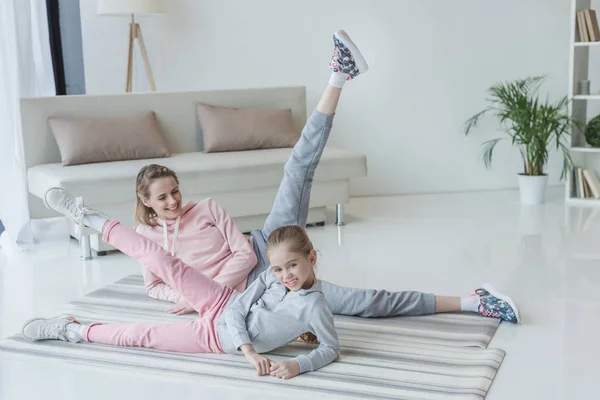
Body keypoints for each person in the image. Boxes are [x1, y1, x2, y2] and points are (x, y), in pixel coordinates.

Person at [54, 30, 523, 325]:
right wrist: (185, 294)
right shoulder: (144, 235)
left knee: (297, 168)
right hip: (267, 288)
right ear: (148, 203)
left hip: (267, 248)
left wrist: (211, 285)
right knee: (365, 304)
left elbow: (241, 253)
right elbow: (155, 284)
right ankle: (474, 303)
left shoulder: (208, 208)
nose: (175, 200)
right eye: (164, 197)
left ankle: (338, 76)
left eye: (176, 191)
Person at [22, 216, 339, 379]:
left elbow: (331, 348)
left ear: (312, 257)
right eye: (279, 268)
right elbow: (238, 307)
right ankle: (94, 220)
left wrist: (299, 365)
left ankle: (71, 330)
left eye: (292, 265)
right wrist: (250, 352)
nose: (286, 275)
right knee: (164, 262)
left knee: (142, 335)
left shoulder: (314, 305)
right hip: (221, 301)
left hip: (212, 338)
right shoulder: (271, 275)